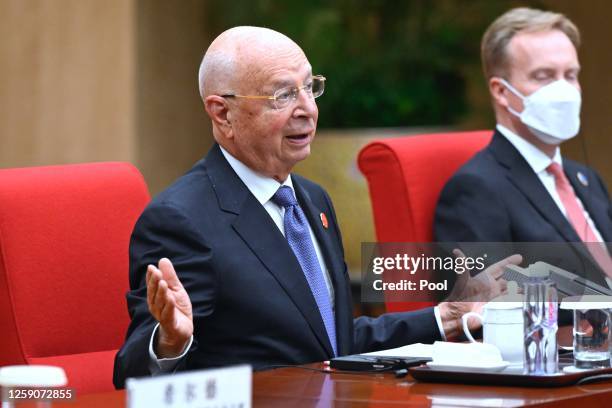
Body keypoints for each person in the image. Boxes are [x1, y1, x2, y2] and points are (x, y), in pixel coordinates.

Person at [113, 26, 516, 389]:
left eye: (310, 87)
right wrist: (168, 343)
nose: (308, 108)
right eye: (283, 95)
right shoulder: (182, 220)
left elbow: (331, 340)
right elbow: (130, 374)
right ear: (223, 113)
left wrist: (447, 316)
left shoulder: (313, 199)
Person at [434, 8, 611, 287]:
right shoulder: (475, 190)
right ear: (501, 91)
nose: (564, 91)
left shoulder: (587, 179)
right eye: (544, 76)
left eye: (571, 75)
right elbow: (494, 300)